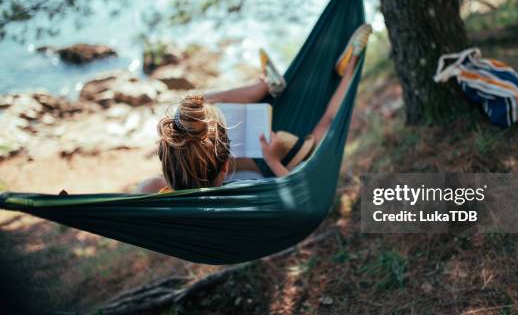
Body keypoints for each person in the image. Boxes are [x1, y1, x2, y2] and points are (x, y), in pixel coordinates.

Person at [137, 24, 372, 193]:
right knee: (327, 123)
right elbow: (300, 193)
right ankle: (349, 67)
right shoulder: (246, 191)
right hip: (277, 160)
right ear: (226, 166)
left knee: (201, 106)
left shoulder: (176, 177)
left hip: (228, 159)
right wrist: (274, 161)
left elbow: (151, 186)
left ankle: (265, 86)